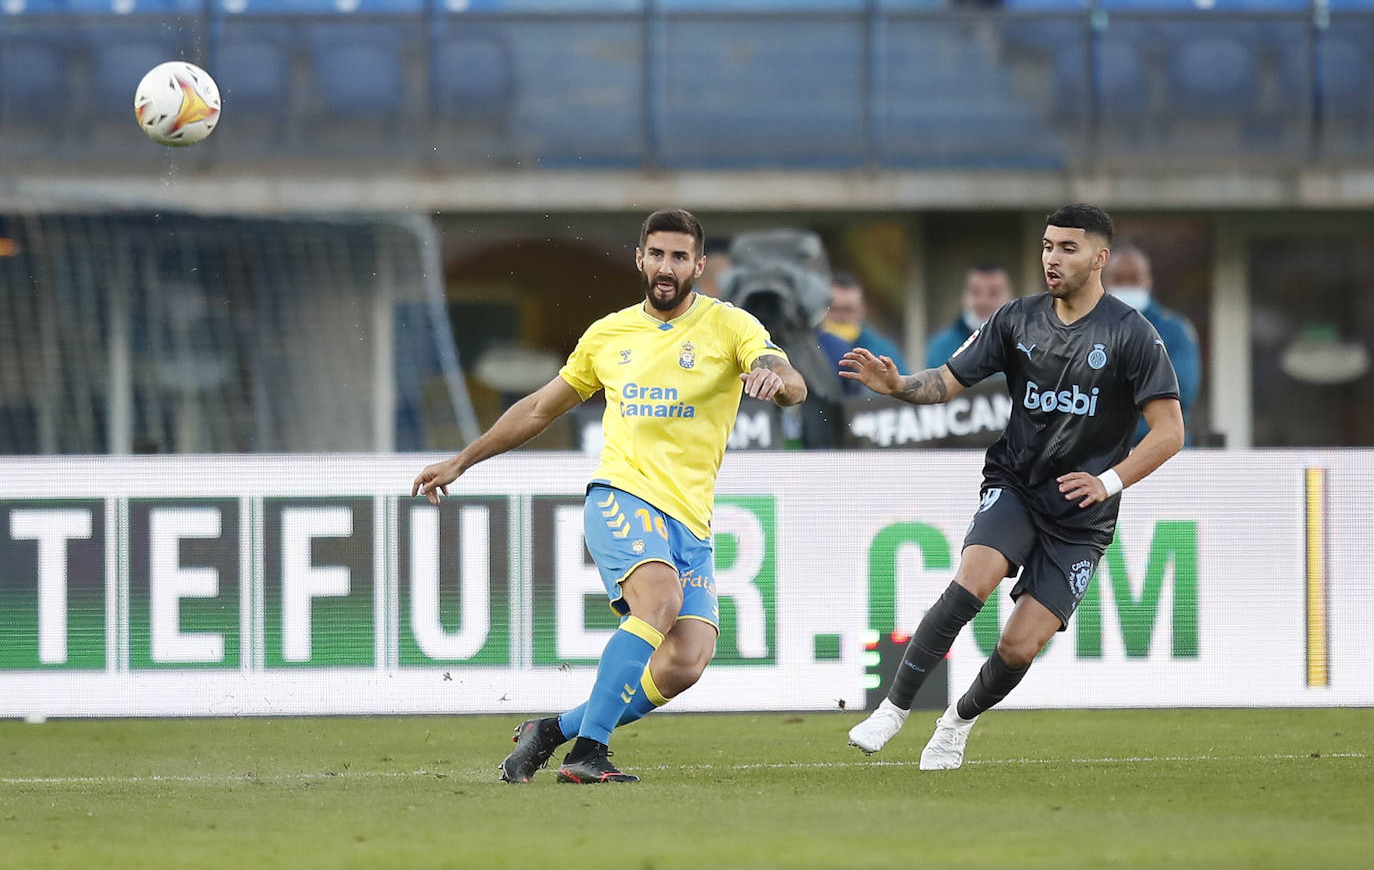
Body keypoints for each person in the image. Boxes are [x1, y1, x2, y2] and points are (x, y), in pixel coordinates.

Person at [412, 209, 807, 784]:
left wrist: (778, 381)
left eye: (679, 257)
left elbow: (790, 379)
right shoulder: (608, 335)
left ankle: (552, 731)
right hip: (622, 496)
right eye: (657, 254)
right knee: (659, 601)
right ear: (639, 259)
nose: (667, 267)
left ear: (698, 265)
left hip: (690, 520)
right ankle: (588, 753)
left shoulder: (730, 326)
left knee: (687, 659)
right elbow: (538, 409)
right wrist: (461, 460)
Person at [841, 204, 1183, 769]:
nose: (1052, 257)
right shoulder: (1016, 320)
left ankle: (956, 725)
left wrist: (1107, 482)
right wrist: (899, 385)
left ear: (1100, 258)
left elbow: (1170, 432)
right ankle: (893, 709)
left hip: (1082, 514)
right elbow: (946, 381)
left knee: (1019, 646)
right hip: (1018, 483)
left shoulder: (1132, 335)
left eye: (1068, 248)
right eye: (1047, 246)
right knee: (973, 581)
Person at [1104, 243, 1201, 445]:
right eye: (1118, 279)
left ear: (1148, 280)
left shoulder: (1176, 330)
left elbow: (1182, 392)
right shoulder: (1091, 328)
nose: (1126, 285)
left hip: (1166, 450)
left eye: (1133, 278)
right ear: (1105, 282)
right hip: (1106, 453)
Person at [817, 271, 908, 396]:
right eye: (834, 309)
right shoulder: (809, 347)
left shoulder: (883, 351)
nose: (841, 316)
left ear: (862, 310)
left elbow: (902, 391)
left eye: (848, 310)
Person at [925, 264, 1015, 369]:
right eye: (975, 292)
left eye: (993, 293)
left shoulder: (1025, 344)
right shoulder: (941, 347)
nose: (983, 301)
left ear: (1011, 298)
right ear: (964, 296)